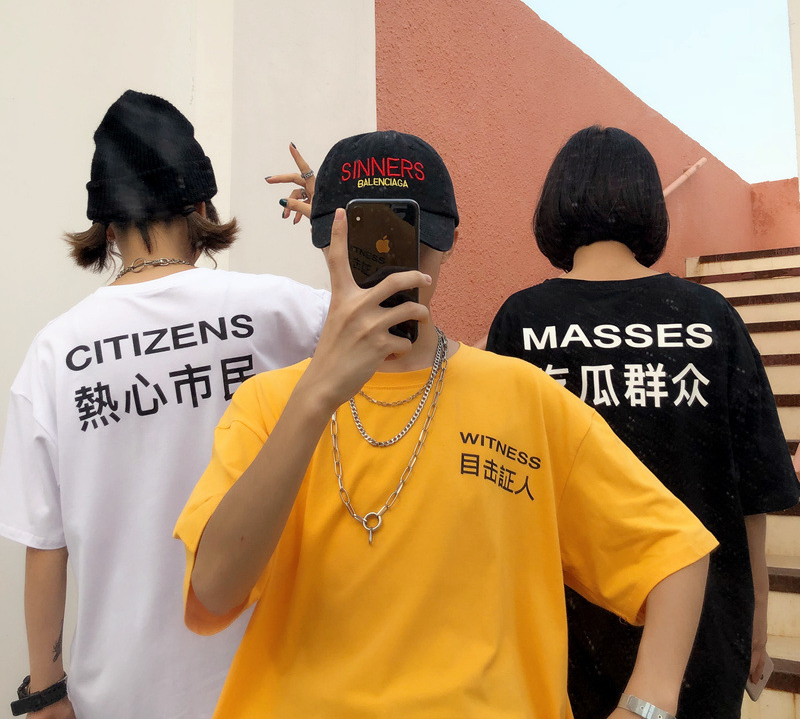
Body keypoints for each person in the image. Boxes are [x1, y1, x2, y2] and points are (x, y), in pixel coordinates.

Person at [176, 129, 718, 719]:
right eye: (366, 237)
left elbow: (675, 553)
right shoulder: (270, 403)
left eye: (408, 234)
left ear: (449, 241)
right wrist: (315, 397)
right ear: (326, 239)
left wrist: (647, 705)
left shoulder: (526, 398)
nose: (388, 258)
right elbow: (213, 594)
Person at [0, 90, 329, 719]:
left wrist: (46, 691)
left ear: (106, 226)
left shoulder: (53, 354)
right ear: (200, 206)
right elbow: (400, 337)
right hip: (274, 684)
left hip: (120, 696)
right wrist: (340, 222)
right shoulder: (284, 311)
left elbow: (45, 546)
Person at [486, 125, 800, 719]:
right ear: (648, 204)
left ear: (556, 202)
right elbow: (755, 490)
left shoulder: (521, 321)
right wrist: (758, 617)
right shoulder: (711, 317)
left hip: (561, 632)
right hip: (702, 629)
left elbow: (496, 486)